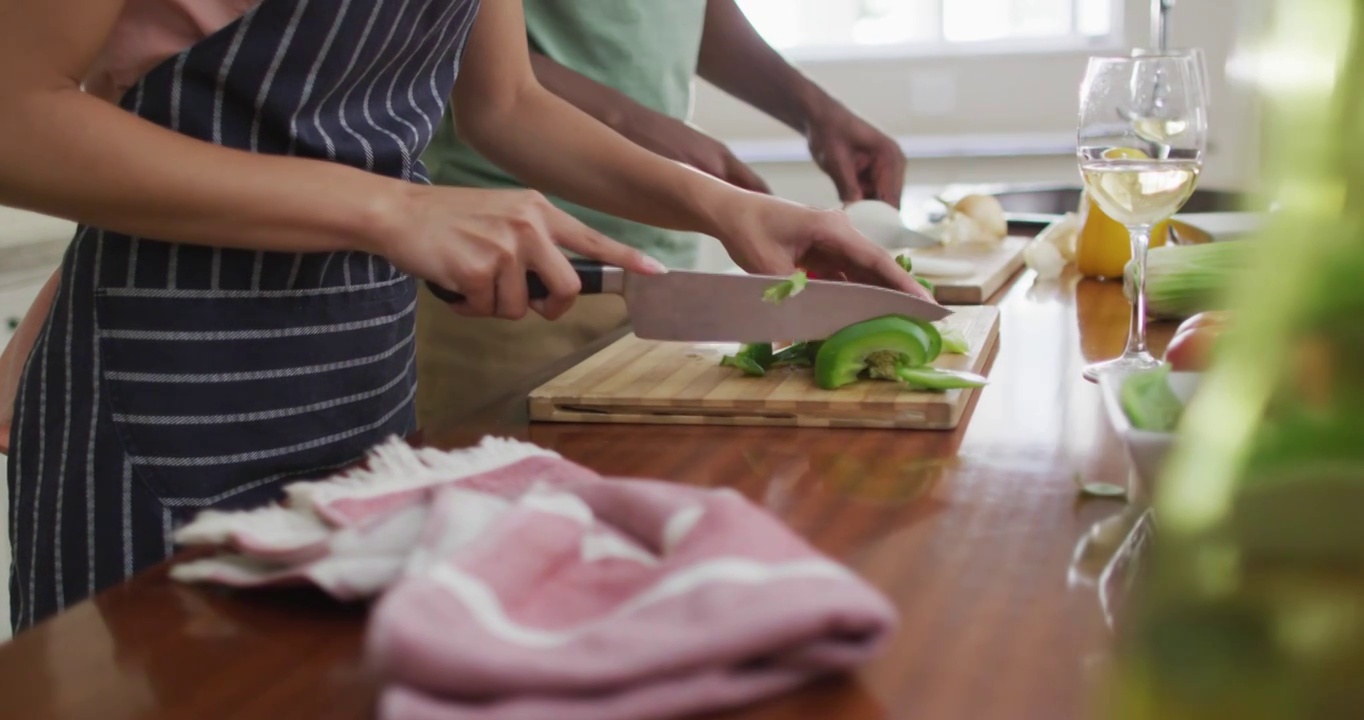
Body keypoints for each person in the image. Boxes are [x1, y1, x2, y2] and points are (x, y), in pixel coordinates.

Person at [0, 0, 930, 633]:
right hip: (166, 397)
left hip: (365, 384)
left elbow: (507, 102)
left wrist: (725, 208)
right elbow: (16, 119)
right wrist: (397, 210)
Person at [416, 0, 910, 425]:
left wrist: (813, 111)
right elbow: (459, 46)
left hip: (661, 251)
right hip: (513, 276)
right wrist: (630, 122)